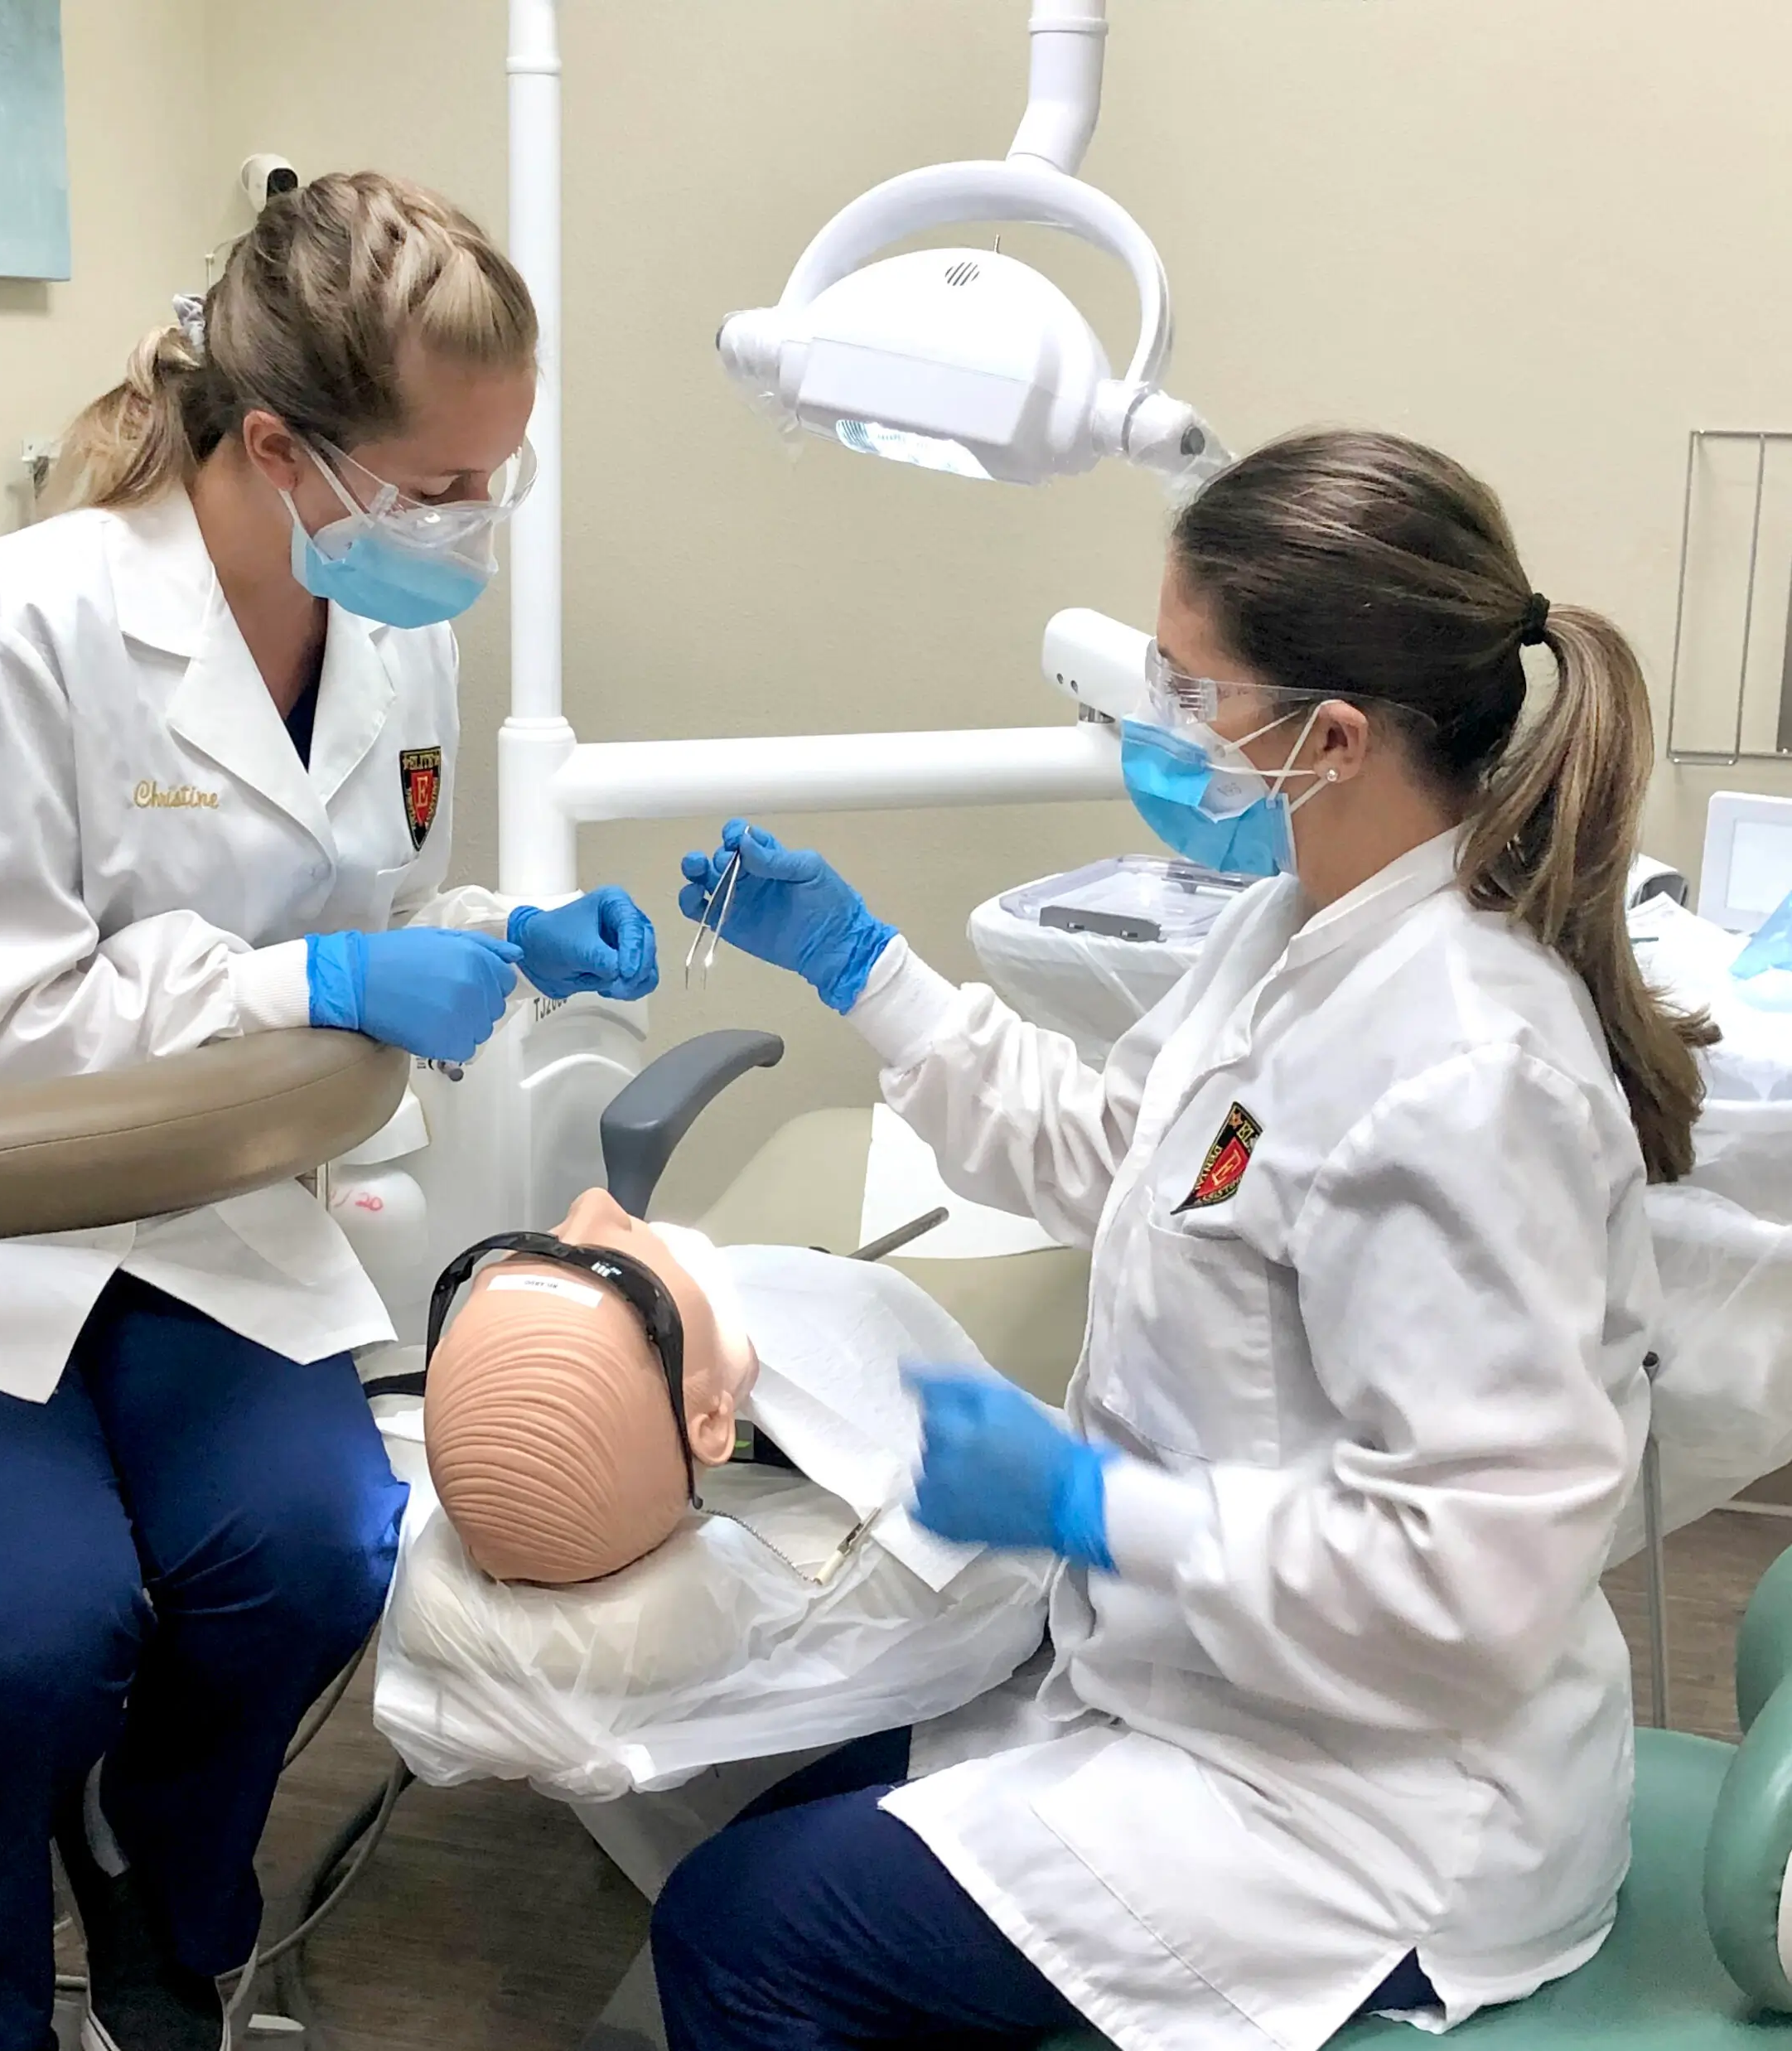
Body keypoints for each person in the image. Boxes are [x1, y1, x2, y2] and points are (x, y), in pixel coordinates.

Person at [0, 171, 657, 2051]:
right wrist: (307, 986)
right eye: (438, 487)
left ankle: (159, 1878)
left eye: (497, 478)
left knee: (312, 1555)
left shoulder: (390, 628)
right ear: (272, 447)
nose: (471, 528)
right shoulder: (27, 617)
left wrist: (509, 936)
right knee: (30, 1621)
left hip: (200, 1219)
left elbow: (368, 921)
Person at [654, 428, 1715, 2051]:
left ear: (1335, 735)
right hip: (1204, 1701)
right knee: (752, 1843)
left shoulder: (1464, 1066)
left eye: (1191, 690)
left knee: (743, 1938)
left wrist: (1096, 1504)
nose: (1162, 727)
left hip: (1374, 1817)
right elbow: (1115, 1153)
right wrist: (859, 964)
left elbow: (1470, 1574)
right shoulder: (1293, 929)